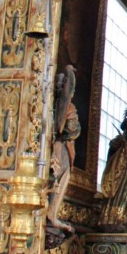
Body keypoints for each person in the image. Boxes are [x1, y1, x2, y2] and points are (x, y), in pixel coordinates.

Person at [48, 64, 80, 230]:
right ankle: (50, 213)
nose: (61, 86)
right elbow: (70, 129)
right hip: (59, 148)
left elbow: (71, 129)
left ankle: (52, 212)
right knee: (56, 177)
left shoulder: (64, 106)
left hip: (62, 147)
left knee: (59, 178)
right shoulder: (60, 105)